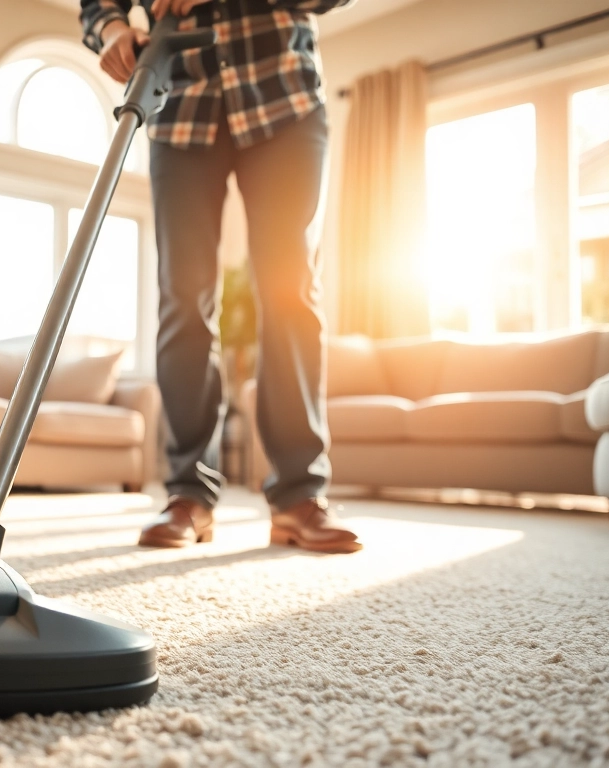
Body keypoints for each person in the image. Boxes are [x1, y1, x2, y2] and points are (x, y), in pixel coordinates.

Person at [80, 0, 361, 553]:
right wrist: (112, 28)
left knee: (290, 294)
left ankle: (299, 496)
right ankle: (189, 494)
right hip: (179, 101)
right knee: (184, 299)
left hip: (283, 93)